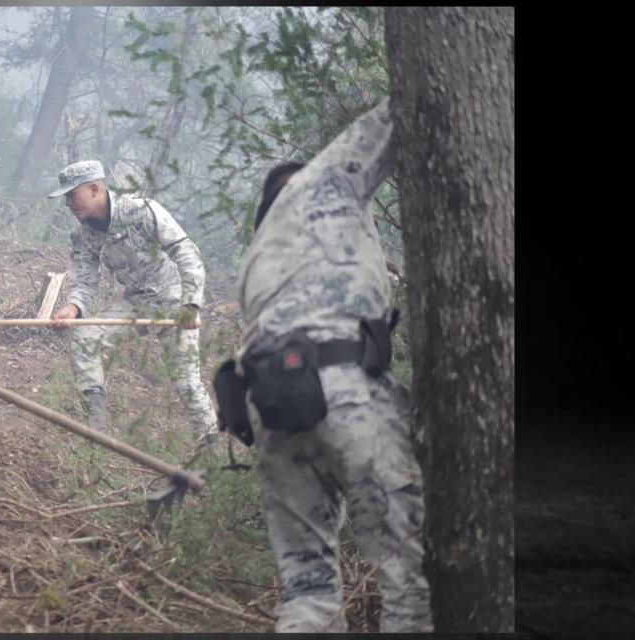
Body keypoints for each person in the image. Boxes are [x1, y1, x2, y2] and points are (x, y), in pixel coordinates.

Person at [219, 98, 431, 631]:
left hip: (272, 409)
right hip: (347, 390)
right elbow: (403, 105)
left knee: (307, 587)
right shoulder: (326, 182)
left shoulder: (255, 261)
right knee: (405, 579)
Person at [47, 160, 218, 448]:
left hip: (173, 299)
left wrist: (191, 304)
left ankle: (209, 445)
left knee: (186, 379)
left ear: (94, 188)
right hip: (135, 303)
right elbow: (85, 282)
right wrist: (73, 308)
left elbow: (186, 252)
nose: (68, 204)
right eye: (65, 197)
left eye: (71, 195)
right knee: (85, 334)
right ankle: (97, 426)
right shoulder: (82, 236)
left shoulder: (140, 211)